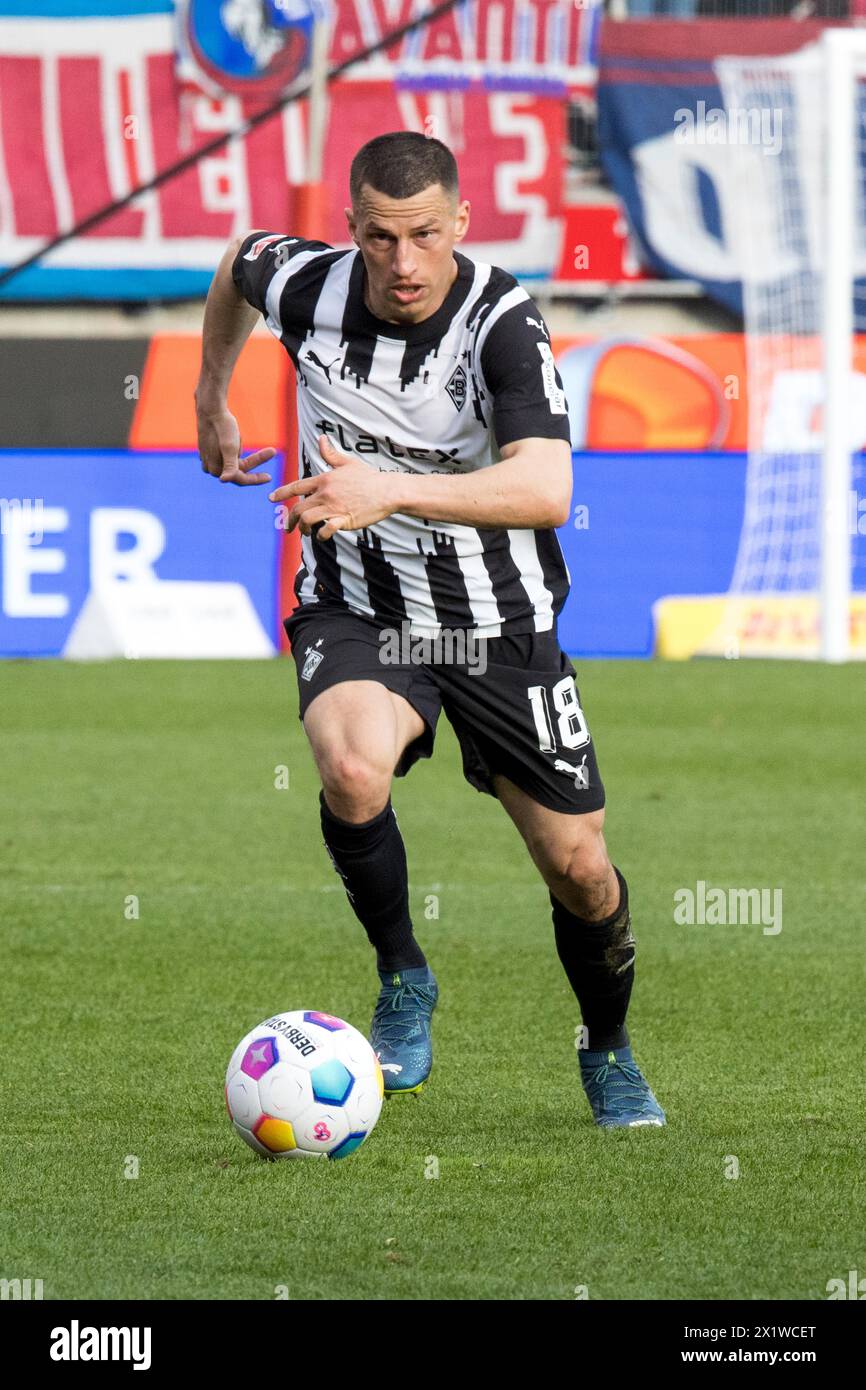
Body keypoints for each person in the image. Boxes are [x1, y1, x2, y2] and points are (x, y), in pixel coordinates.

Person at [195, 131, 665, 1128]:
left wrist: (388, 489)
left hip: (496, 623)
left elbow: (546, 486)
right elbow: (237, 263)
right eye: (376, 239)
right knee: (351, 765)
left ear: (458, 223)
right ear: (350, 231)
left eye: (420, 236)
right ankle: (402, 975)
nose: (400, 263)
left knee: (580, 868)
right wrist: (211, 400)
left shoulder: (499, 320)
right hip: (358, 606)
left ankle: (607, 1048)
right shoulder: (308, 287)